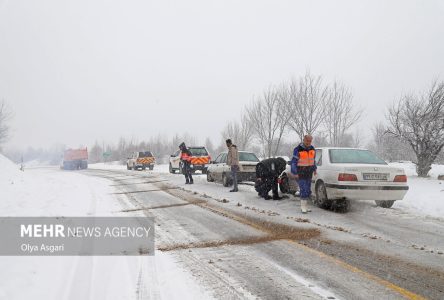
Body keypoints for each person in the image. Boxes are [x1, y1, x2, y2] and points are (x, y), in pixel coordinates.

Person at [291, 135, 317, 213]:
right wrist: (295, 172)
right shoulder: (298, 149)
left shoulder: (312, 148)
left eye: (310, 141)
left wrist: (315, 169)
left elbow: (313, 160)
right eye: (307, 141)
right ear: (304, 140)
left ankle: (306, 206)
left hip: (309, 172)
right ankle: (303, 207)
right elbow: (293, 162)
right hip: (300, 172)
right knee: (303, 189)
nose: (308, 143)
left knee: (308, 190)